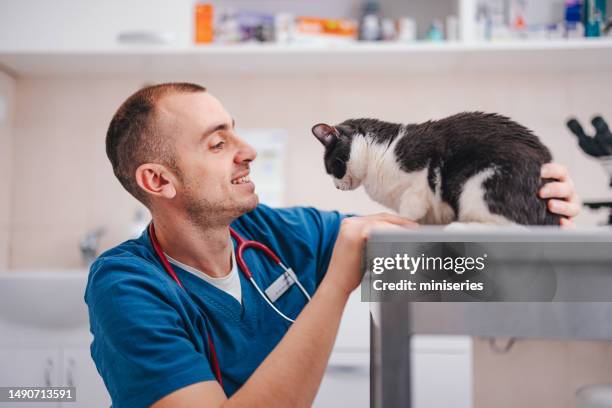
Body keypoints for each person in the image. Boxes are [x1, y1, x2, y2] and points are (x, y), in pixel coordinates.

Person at [85, 83, 581, 408]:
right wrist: (341, 278)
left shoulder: (279, 236)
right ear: (158, 180)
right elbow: (351, 254)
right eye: (218, 144)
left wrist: (530, 218)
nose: (248, 151)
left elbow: (473, 277)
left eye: (236, 132)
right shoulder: (126, 285)